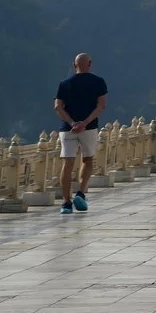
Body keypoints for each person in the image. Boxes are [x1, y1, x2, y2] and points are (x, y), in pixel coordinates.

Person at [54, 53, 107, 214]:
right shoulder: (98, 82)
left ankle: (66, 203)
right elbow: (101, 106)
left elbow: (58, 107)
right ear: (90, 64)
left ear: (74, 65)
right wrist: (84, 123)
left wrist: (72, 123)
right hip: (88, 128)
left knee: (68, 163)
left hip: (67, 129)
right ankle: (81, 193)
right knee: (88, 159)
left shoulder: (64, 83)